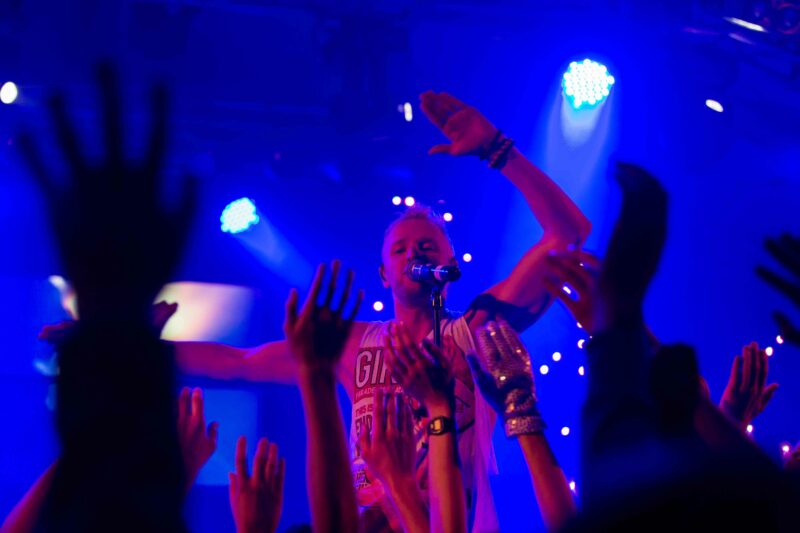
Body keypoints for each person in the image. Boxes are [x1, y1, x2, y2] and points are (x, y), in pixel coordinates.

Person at [40, 91, 591, 532]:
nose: (414, 253)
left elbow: (568, 233)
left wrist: (497, 149)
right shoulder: (354, 344)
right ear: (384, 274)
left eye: (427, 245)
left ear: (450, 263)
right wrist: (115, 336)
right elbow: (239, 361)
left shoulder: (476, 331)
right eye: (400, 248)